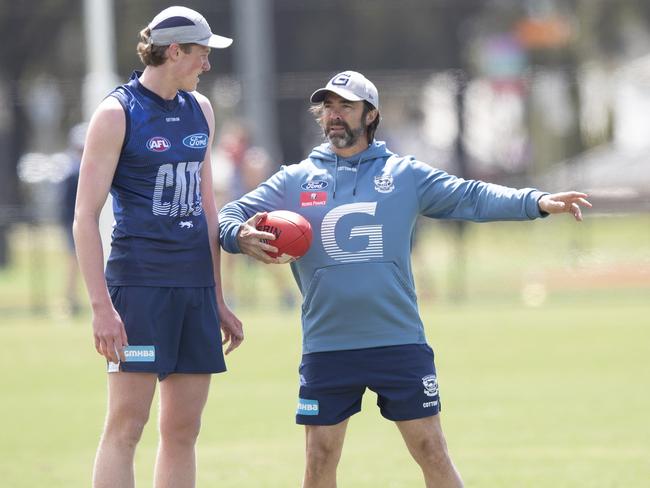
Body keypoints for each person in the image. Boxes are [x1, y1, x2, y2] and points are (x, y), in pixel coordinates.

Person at [218, 70, 592, 487]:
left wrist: (535, 201)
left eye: (346, 106)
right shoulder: (295, 179)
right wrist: (240, 236)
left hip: (398, 341)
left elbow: (471, 196)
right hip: (328, 345)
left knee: (431, 450)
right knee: (319, 459)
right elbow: (228, 215)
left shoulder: (404, 175)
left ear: (371, 115)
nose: (334, 115)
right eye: (328, 107)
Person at [73, 6, 243, 488]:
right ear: (175, 51)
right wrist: (101, 308)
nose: (207, 66)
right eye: (202, 55)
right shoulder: (116, 113)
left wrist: (217, 297)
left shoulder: (201, 110)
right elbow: (84, 218)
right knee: (127, 426)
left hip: (194, 288)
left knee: (183, 429)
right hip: (140, 287)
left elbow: (209, 209)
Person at [59, 122, 87, 315]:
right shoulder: (74, 171)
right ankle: (70, 300)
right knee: (74, 263)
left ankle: (72, 299)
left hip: (72, 222)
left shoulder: (73, 169)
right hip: (73, 223)